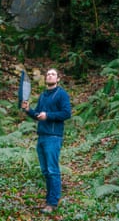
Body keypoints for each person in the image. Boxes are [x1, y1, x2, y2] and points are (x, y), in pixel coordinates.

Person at [21, 68, 72, 214]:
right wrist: (28, 110)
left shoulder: (61, 94)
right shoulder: (43, 95)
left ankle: (52, 203)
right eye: (48, 74)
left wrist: (48, 115)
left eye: (53, 74)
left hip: (53, 137)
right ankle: (49, 200)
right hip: (42, 136)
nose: (50, 76)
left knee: (52, 169)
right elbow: (38, 115)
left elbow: (66, 113)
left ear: (58, 79)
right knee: (45, 170)